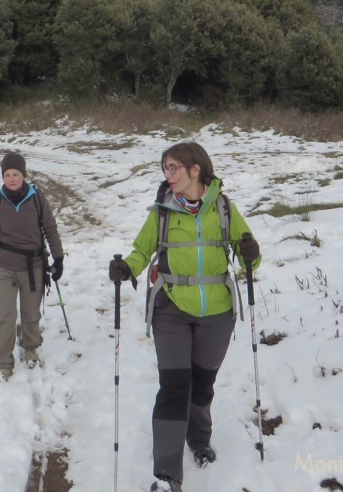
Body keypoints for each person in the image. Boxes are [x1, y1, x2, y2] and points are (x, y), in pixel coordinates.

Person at [108, 141, 260, 492]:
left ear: (196, 170)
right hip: (172, 308)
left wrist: (251, 252)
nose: (168, 174)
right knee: (174, 386)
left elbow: (248, 253)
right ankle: (166, 472)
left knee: (202, 384)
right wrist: (125, 268)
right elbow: (141, 252)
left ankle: (199, 438)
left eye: (174, 167)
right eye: (165, 168)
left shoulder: (222, 207)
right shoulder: (162, 212)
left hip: (218, 311)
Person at [0, 151, 64, 381]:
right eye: (7, 174)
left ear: (23, 175)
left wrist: (58, 258)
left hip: (33, 265)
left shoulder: (36, 197)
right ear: (2, 177)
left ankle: (31, 346)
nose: (12, 179)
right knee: (5, 315)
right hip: (4, 266)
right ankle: (3, 362)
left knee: (30, 312)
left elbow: (50, 228)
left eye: (16, 174)